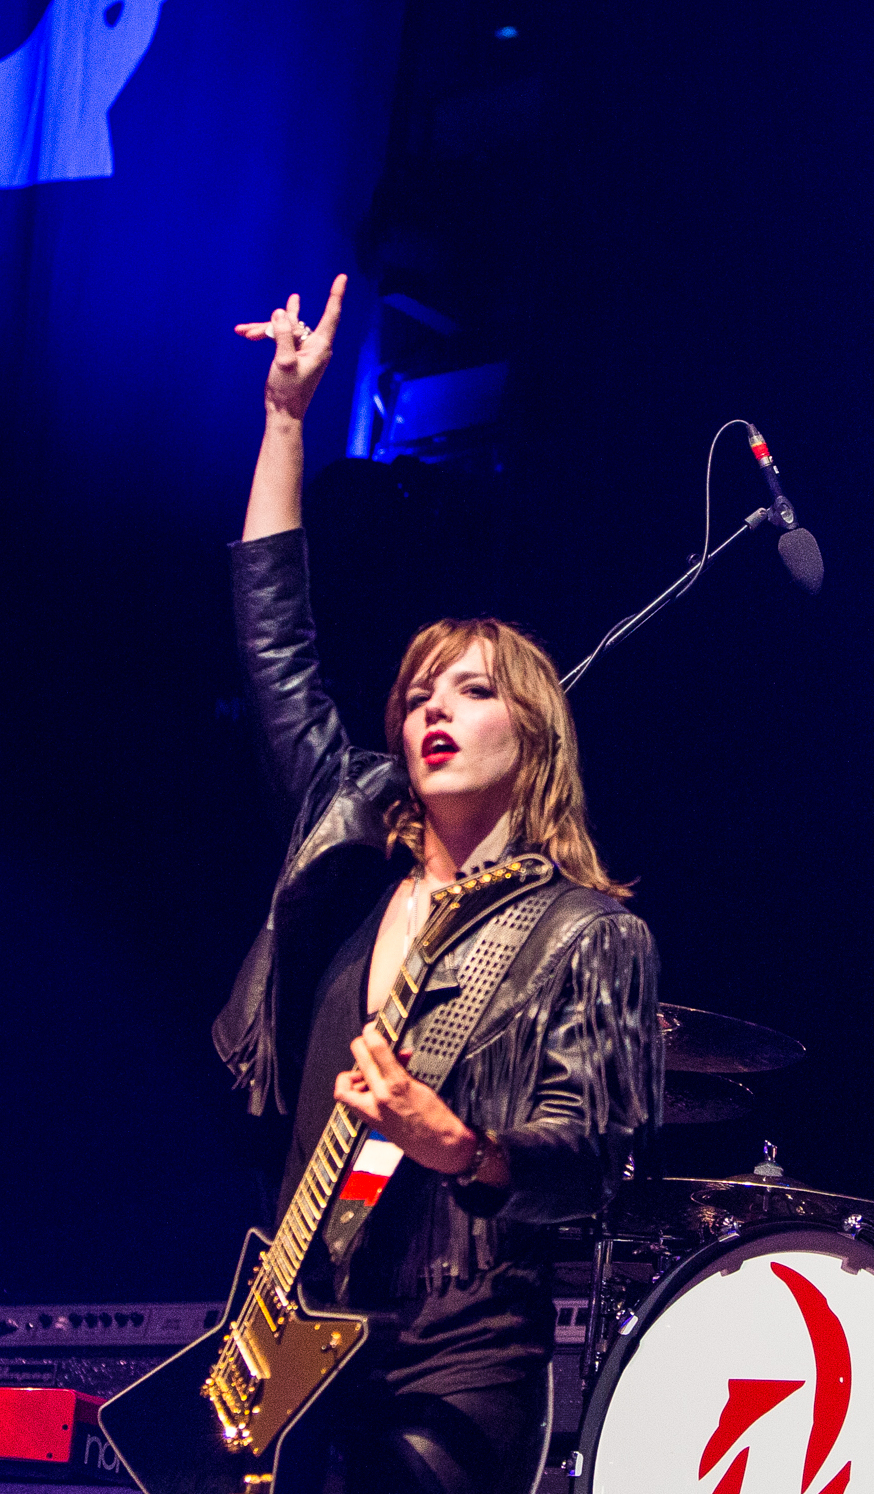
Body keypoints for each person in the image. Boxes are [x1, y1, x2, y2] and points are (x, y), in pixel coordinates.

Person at [209, 277, 663, 1493]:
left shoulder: (589, 934)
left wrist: (457, 1144)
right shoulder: (345, 832)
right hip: (297, 1316)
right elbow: (274, 644)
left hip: (457, 1347)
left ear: (534, 729)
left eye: (467, 689)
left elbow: (598, 1157)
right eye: (416, 691)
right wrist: (288, 422)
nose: (428, 710)